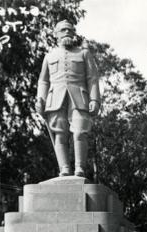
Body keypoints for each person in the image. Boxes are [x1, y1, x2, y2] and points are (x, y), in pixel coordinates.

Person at [36, 20, 101, 177]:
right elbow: (43, 81)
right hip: (56, 101)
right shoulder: (49, 56)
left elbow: (92, 78)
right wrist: (40, 99)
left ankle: (80, 168)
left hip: (80, 99)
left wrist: (95, 100)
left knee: (79, 132)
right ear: (56, 34)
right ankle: (64, 168)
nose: (67, 32)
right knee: (60, 134)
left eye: (70, 30)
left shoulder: (83, 53)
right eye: (63, 30)